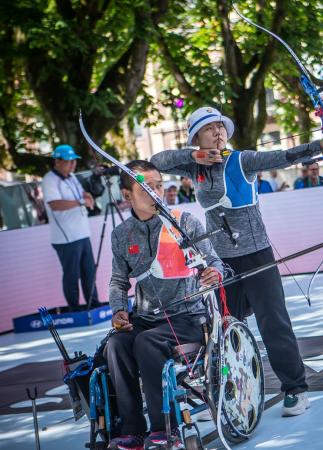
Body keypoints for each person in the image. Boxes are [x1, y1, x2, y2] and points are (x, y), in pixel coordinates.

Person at [151, 106, 323, 417]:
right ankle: (224, 392)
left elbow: (283, 157)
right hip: (221, 261)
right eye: (209, 128)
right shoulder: (194, 168)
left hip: (256, 256)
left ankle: (296, 388)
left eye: (220, 127)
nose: (217, 132)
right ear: (196, 137)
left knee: (273, 322)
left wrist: (320, 145)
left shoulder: (242, 160)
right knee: (220, 329)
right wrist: (195, 157)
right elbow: (156, 162)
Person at [105, 160, 223, 450]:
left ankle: (163, 428)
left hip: (189, 317)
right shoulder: (121, 235)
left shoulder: (184, 221)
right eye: (146, 188)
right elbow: (118, 281)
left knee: (146, 342)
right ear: (127, 195)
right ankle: (132, 430)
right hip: (146, 317)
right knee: (117, 344)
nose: (156, 191)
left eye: (159, 185)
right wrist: (119, 310)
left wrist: (213, 273)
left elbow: (215, 261)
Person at [41, 144, 100, 310]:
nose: (73, 164)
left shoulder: (72, 176)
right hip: (66, 237)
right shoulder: (49, 180)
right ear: (57, 161)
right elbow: (55, 204)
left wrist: (87, 196)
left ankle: (93, 305)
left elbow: (82, 194)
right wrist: (81, 202)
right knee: (72, 276)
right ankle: (74, 309)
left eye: (74, 161)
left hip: (82, 233)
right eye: (69, 161)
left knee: (89, 273)